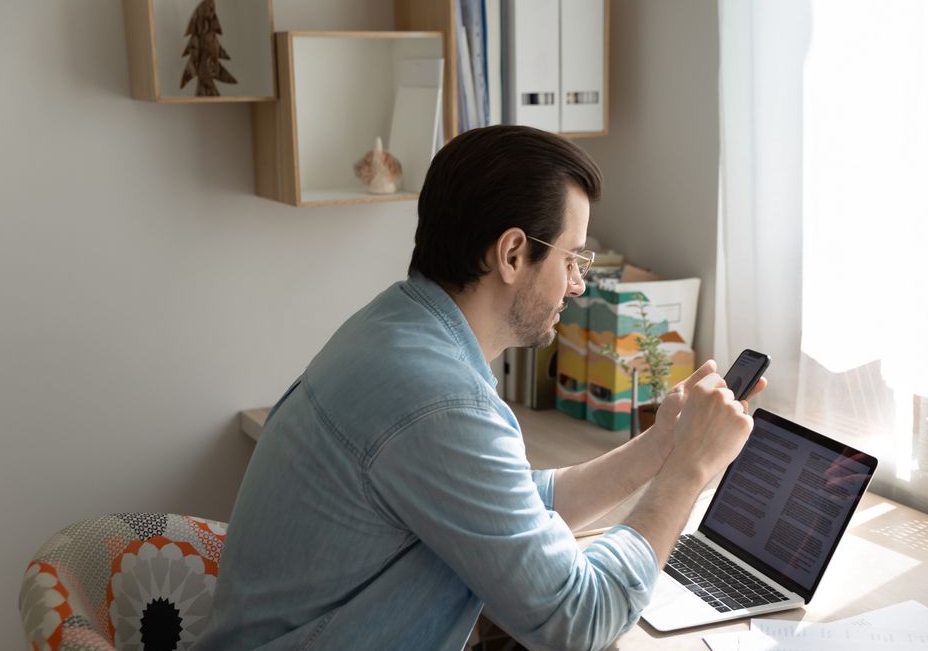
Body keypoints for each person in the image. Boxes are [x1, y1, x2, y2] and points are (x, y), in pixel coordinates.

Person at [199, 125, 761, 651]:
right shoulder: (440, 399)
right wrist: (689, 472)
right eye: (573, 258)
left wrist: (662, 446)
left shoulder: (395, 327)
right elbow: (578, 621)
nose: (578, 283)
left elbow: (512, 508)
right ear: (513, 253)